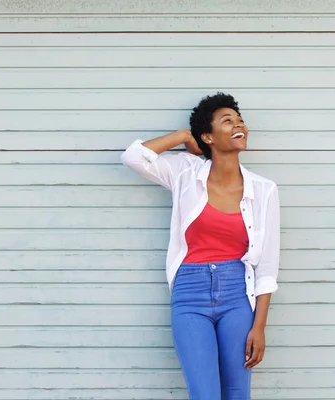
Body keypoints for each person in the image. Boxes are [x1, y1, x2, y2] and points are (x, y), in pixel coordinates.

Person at [120, 92, 280, 399]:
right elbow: (133, 157)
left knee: (236, 391)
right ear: (207, 136)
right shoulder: (185, 172)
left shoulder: (265, 190)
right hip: (190, 293)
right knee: (204, 393)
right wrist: (183, 137)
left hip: (237, 293)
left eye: (241, 120)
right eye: (227, 120)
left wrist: (259, 327)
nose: (239, 126)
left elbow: (267, 267)